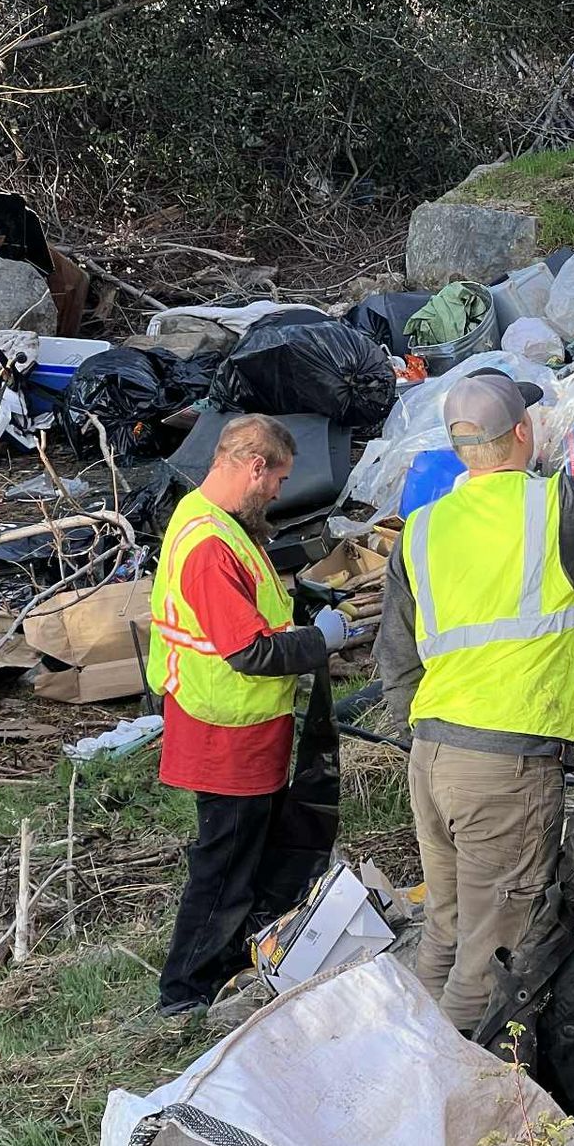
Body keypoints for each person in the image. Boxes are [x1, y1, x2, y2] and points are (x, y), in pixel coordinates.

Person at [374, 366, 574, 1031]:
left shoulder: (421, 532)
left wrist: (429, 742)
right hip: (503, 767)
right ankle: (450, 1096)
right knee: (492, 955)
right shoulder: (555, 507)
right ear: (522, 432)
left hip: (432, 758)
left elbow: (396, 662)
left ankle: (395, 1067)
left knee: (445, 930)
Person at [146, 414, 349, 1015]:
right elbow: (249, 650)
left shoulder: (216, 525)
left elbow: (252, 619)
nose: (280, 493)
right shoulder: (211, 546)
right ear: (254, 466)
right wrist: (321, 641)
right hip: (223, 732)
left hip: (240, 727)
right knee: (224, 867)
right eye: (278, 480)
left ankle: (227, 967)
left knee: (239, 858)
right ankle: (185, 991)